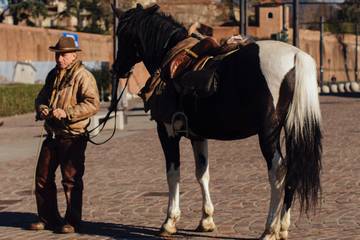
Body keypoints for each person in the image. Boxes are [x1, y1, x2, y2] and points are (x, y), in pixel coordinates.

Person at [29, 36, 100, 233]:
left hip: (73, 136)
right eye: (57, 55)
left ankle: (72, 221)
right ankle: (48, 218)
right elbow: (41, 97)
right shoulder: (53, 74)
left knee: (71, 181)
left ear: (74, 55)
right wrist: (42, 108)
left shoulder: (83, 76)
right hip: (52, 135)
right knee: (42, 178)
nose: (59, 59)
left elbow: (93, 104)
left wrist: (67, 112)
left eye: (63, 55)